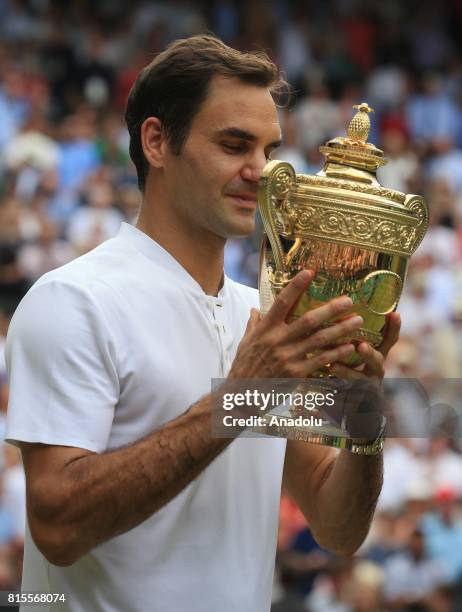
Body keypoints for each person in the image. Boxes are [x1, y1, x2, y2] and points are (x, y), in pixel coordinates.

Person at [5, 35, 400, 612]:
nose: (261, 172)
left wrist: (365, 420)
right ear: (158, 141)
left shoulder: (267, 319)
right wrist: (240, 398)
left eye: (269, 150)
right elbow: (59, 528)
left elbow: (338, 530)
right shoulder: (73, 300)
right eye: (235, 144)